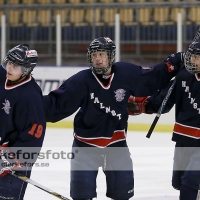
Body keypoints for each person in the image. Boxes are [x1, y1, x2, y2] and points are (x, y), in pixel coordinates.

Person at [43, 37, 183, 200]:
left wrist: (173, 64)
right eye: (94, 55)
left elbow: (151, 77)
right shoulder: (81, 80)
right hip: (85, 147)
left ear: (110, 56)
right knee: (81, 195)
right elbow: (57, 105)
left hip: (117, 146)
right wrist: (31, 104)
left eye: (101, 54)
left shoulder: (125, 73)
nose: (97, 59)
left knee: (122, 194)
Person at [128, 39, 200, 200]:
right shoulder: (184, 76)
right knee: (179, 182)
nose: (192, 61)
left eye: (197, 57)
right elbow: (164, 100)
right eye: (192, 56)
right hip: (184, 138)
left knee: (191, 182)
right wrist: (143, 105)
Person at [0, 44, 46, 200]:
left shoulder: (30, 97)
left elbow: (35, 134)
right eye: (9, 63)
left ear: (26, 70)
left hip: (15, 160)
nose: (10, 68)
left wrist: (9, 158)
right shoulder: (4, 76)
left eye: (16, 66)